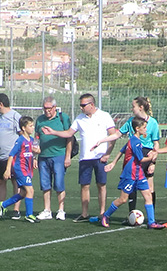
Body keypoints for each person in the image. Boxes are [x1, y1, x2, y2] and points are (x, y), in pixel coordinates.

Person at [43, 93, 117, 222]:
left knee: (101, 184)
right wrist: (53, 132)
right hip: (85, 158)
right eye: (80, 105)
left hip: (100, 157)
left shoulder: (104, 116)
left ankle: (102, 213)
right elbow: (69, 133)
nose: (81, 108)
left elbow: (113, 136)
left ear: (92, 104)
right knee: (84, 185)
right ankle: (84, 214)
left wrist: (107, 153)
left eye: (83, 105)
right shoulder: (79, 118)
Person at [93, 96, 161, 218]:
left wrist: (153, 162)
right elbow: (117, 135)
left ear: (141, 107)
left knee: (149, 188)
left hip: (147, 155)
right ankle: (132, 215)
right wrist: (102, 140)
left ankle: (152, 218)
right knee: (131, 187)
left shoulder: (153, 123)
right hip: (132, 157)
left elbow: (156, 143)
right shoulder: (131, 122)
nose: (131, 108)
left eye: (133, 106)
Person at [100, 116, 165, 229]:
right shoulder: (135, 142)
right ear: (137, 128)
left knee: (148, 196)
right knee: (123, 199)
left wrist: (113, 162)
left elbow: (122, 150)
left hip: (139, 174)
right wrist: (152, 157)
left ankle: (151, 223)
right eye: (144, 127)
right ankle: (105, 215)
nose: (146, 130)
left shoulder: (135, 140)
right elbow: (141, 159)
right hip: (130, 175)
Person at [34, 96, 71, 221]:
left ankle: (61, 210)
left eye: (49, 108)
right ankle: (47, 210)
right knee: (45, 184)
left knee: (59, 183)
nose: (47, 111)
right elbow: (36, 137)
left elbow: (69, 137)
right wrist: (35, 154)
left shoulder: (63, 118)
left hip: (59, 155)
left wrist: (68, 156)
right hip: (43, 156)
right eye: (45, 108)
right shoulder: (40, 120)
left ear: (54, 107)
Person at [0, 116, 40, 222]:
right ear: (23, 128)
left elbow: (34, 152)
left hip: (28, 170)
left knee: (22, 193)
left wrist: (35, 157)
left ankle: (3, 205)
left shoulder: (31, 140)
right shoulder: (20, 140)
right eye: (30, 126)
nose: (32, 127)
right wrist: (8, 170)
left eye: (33, 125)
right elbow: (11, 155)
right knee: (30, 190)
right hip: (20, 169)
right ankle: (29, 215)